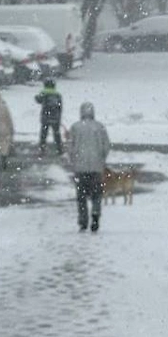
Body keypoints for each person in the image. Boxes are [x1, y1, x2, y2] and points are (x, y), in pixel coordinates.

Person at [68, 101, 111, 233]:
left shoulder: (75, 127)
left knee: (81, 196)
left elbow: (70, 147)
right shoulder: (100, 127)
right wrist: (101, 159)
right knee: (96, 194)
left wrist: (73, 160)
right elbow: (106, 146)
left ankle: (83, 221)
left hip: (80, 168)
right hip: (96, 168)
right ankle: (96, 215)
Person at [34, 78, 64, 155]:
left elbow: (38, 100)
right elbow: (60, 107)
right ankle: (59, 149)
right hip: (55, 118)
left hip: (46, 117)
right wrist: (59, 117)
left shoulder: (44, 93)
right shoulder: (57, 95)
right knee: (56, 134)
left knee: (44, 134)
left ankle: (42, 149)